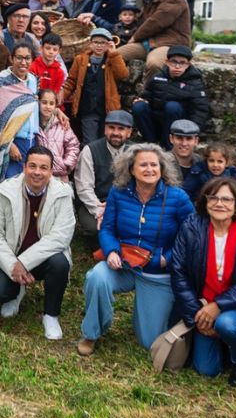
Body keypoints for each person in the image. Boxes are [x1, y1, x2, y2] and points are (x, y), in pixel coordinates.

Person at [77, 143, 194, 355]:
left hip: (157, 272)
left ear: (162, 168)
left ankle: (145, 314)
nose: (150, 169)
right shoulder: (118, 193)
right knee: (97, 277)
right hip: (124, 263)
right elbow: (107, 228)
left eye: (154, 165)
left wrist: (166, 258)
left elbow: (191, 236)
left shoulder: (178, 198)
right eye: (143, 165)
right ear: (131, 169)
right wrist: (111, 251)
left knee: (149, 342)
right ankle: (91, 333)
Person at [169, 178, 236, 383]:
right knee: (206, 370)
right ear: (205, 200)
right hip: (201, 304)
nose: (219, 204)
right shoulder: (191, 227)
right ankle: (226, 344)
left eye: (227, 199)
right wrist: (197, 316)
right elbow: (178, 272)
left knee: (227, 325)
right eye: (214, 198)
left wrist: (219, 306)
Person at [0, 146, 76, 339]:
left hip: (42, 259)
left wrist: (24, 263)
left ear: (51, 171)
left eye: (44, 168)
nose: (37, 172)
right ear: (24, 167)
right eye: (32, 166)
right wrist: (13, 264)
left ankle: (50, 315)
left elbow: (61, 236)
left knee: (60, 263)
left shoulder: (63, 194)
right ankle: (16, 290)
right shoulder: (5, 191)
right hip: (10, 257)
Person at [116, 0, 190, 79]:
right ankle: (112, 93)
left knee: (154, 64)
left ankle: (148, 96)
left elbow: (157, 22)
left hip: (170, 43)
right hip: (148, 42)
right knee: (113, 56)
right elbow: (141, 22)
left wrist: (135, 37)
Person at [72, 110, 134, 246]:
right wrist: (100, 211)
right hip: (96, 202)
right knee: (95, 228)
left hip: (125, 202)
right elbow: (84, 188)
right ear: (105, 129)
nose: (116, 133)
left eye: (121, 129)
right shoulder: (90, 150)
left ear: (129, 132)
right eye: (111, 128)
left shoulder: (136, 152)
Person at [132, 45, 209, 148]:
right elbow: (147, 96)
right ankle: (151, 144)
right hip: (157, 120)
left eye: (182, 63)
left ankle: (168, 146)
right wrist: (141, 100)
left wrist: (192, 132)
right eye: (174, 62)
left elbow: (200, 110)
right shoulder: (158, 77)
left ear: (188, 64)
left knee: (172, 107)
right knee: (138, 106)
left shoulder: (194, 82)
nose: (177, 66)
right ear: (167, 62)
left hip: (178, 124)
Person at [62, 28, 128, 143]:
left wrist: (114, 54)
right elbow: (71, 81)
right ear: (90, 44)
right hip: (88, 109)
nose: (99, 46)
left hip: (108, 109)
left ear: (108, 44)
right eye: (96, 42)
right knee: (90, 141)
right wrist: (60, 96)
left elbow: (123, 75)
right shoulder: (80, 60)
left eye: (103, 43)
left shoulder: (112, 59)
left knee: (106, 141)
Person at [0, 41, 39, 181]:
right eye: (19, 58)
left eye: (27, 58)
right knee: (9, 184)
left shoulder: (33, 80)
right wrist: (9, 145)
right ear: (12, 59)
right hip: (11, 143)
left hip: (31, 141)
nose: (23, 62)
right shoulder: (0, 82)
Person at [34, 89, 79, 183]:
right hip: (38, 174)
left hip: (59, 177)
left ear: (55, 106)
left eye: (51, 103)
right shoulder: (32, 124)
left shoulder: (62, 124)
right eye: (44, 102)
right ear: (38, 103)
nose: (47, 106)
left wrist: (66, 164)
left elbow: (73, 145)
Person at [165, 118, 203, 185]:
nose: (184, 143)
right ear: (171, 139)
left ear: (196, 141)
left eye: (189, 139)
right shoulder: (162, 162)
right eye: (179, 138)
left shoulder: (201, 163)